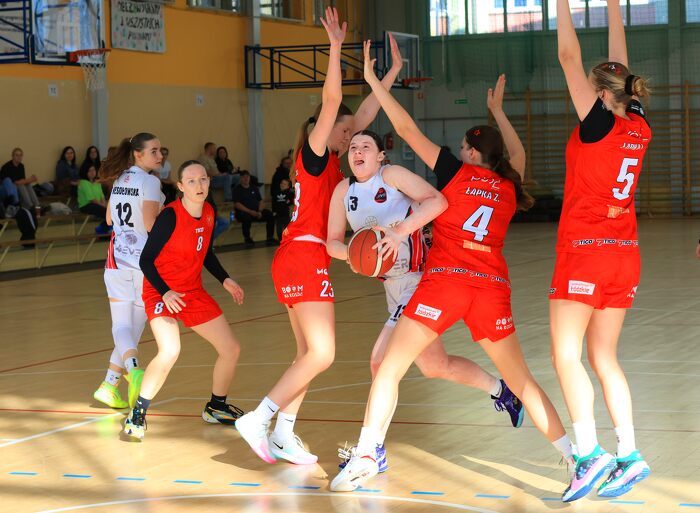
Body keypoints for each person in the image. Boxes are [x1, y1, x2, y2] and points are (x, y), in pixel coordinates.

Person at [329, 47, 575, 492]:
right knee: (520, 380)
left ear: (472, 153)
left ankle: (367, 455)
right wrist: (499, 114)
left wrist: (375, 81)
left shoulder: (456, 175)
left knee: (387, 367)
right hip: (491, 287)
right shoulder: (509, 185)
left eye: (463, 148)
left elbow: (405, 127)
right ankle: (576, 459)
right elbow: (517, 154)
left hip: (444, 283)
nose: (458, 153)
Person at [234, 10, 406, 466]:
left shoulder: (333, 162)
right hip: (304, 255)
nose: (352, 139)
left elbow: (361, 113)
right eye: (345, 133)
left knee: (307, 354)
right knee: (324, 353)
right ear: (323, 130)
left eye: (354, 135)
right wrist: (333, 49)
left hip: (297, 257)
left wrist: (389, 73)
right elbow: (333, 104)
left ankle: (283, 433)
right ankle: (259, 418)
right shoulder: (313, 155)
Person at [327, 129, 525, 472]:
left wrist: (399, 232)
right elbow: (332, 241)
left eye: (366, 146)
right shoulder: (343, 191)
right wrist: (356, 255)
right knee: (435, 366)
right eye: (353, 147)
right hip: (392, 287)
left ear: (380, 156)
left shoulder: (391, 175)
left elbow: (437, 201)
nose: (357, 151)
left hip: (420, 279)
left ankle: (371, 451)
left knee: (380, 362)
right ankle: (502, 391)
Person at [551, 0, 652, 501]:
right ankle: (628, 455)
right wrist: (614, 6)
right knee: (603, 356)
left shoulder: (599, 124)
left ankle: (589, 454)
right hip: (624, 253)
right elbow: (620, 65)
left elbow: (568, 57)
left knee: (566, 354)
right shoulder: (638, 123)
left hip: (586, 250)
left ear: (599, 94)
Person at [123, 160, 245, 440]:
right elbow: (146, 260)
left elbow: (206, 253)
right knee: (170, 350)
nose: (199, 185)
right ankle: (137, 413)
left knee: (231, 348)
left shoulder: (209, 212)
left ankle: (216, 407)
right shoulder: (170, 217)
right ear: (180, 186)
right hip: (161, 291)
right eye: (191, 181)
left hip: (191, 291)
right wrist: (165, 292)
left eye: (203, 179)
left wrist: (225, 279)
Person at [92, 133, 164, 411]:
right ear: (138, 154)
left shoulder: (121, 179)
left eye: (160, 150)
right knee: (133, 326)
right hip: (144, 263)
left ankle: (109, 385)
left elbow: (109, 218)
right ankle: (133, 371)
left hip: (117, 261)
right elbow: (151, 224)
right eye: (154, 151)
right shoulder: (150, 182)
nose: (160, 156)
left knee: (124, 327)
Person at [232, 170, 276, 247]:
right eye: (244, 177)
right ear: (241, 178)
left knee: (270, 215)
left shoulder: (254, 188)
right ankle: (247, 239)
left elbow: (261, 201)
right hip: (244, 212)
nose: (246, 179)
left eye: (247, 177)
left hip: (257, 211)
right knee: (246, 217)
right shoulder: (237, 189)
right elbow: (237, 204)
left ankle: (270, 238)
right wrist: (250, 211)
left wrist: (259, 211)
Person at [1, 148, 41, 215]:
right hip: (7, 189)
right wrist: (31, 179)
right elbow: (14, 183)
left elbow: (22, 180)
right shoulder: (7, 167)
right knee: (21, 185)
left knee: (27, 184)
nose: (19, 157)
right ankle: (30, 206)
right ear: (12, 156)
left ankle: (37, 206)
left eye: (20, 155)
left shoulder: (21, 166)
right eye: (17, 155)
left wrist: (29, 180)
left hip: (18, 187)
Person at [77, 164, 110, 235]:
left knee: (112, 212)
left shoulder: (97, 182)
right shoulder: (83, 182)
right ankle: (101, 230)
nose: (92, 172)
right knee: (108, 214)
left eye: (93, 170)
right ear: (85, 172)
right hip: (86, 206)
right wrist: (103, 206)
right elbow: (91, 199)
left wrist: (105, 204)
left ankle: (101, 230)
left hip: (96, 204)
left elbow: (102, 196)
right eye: (90, 171)